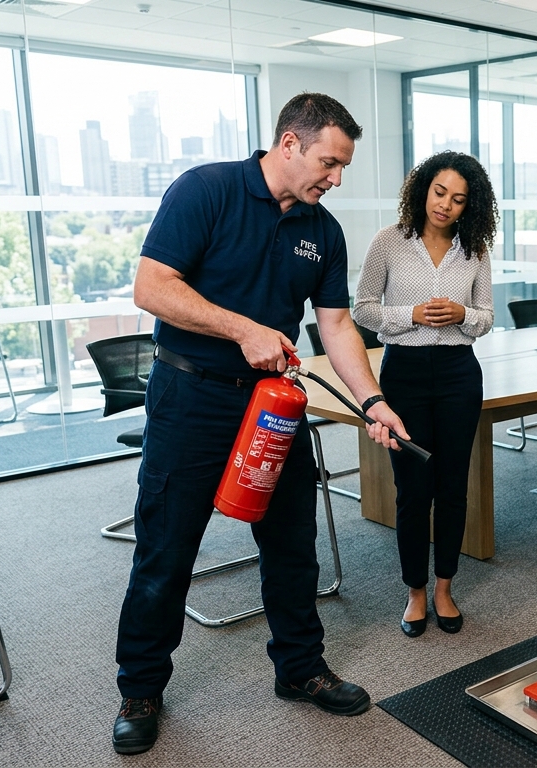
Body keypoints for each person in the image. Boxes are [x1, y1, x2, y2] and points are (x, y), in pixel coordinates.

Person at [111, 93, 411, 756]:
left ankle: (300, 669)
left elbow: (335, 327)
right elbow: (152, 287)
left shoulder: (321, 231)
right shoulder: (206, 191)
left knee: (291, 543)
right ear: (288, 144)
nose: (335, 178)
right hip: (191, 398)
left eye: (341, 168)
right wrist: (243, 329)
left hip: (274, 405)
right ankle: (140, 688)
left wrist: (373, 402)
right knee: (168, 548)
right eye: (329, 162)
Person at [353, 151, 496, 638]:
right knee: (413, 491)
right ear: (422, 190)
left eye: (458, 200)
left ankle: (444, 588)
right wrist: (411, 314)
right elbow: (363, 310)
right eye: (440, 193)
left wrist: (462, 315)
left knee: (453, 487)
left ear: (468, 207)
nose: (446, 205)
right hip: (405, 375)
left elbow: (487, 317)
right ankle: (415, 592)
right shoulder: (388, 242)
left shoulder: (475, 249)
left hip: (458, 373)